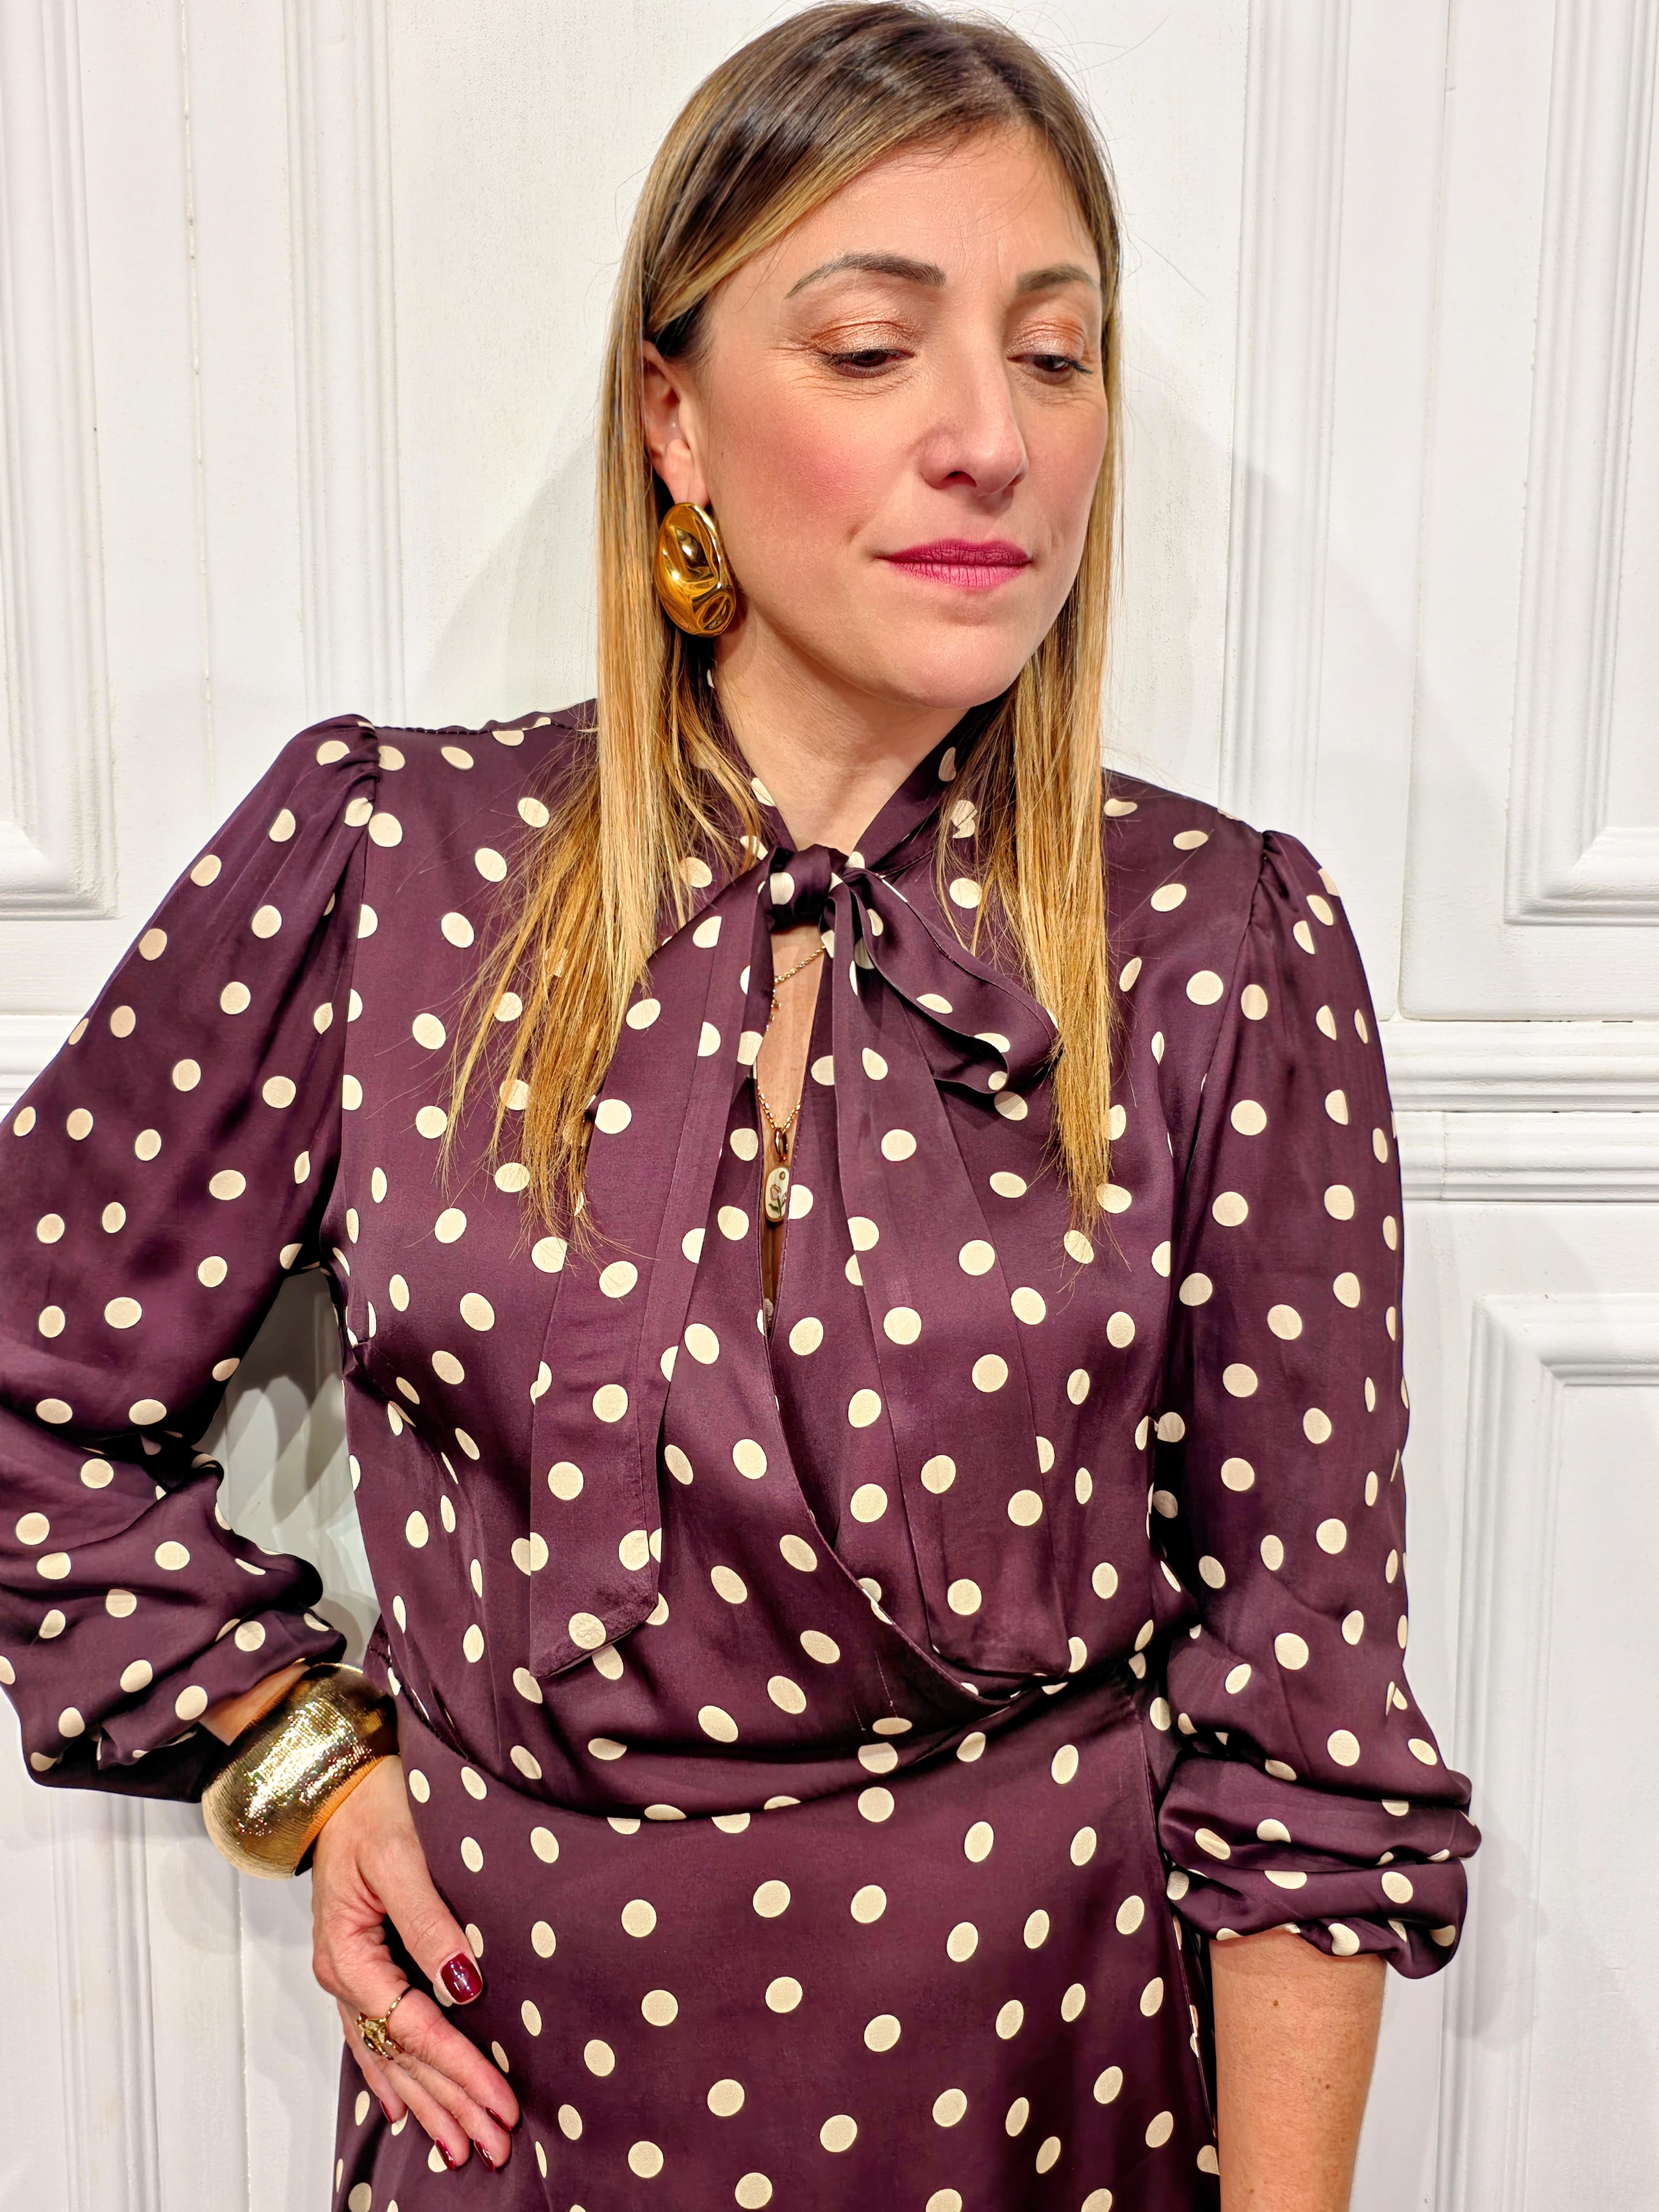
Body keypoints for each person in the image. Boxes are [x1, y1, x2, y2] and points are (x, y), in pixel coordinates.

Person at [0, 6, 1478, 2206]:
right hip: (519, 2111)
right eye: (875, 349)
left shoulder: (1214, 942)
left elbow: (1307, 1717)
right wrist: (300, 1757)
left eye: (1056, 356)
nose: (992, 439)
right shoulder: (389, 870)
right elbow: (29, 1384)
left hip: (1048, 2113)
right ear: (672, 417)